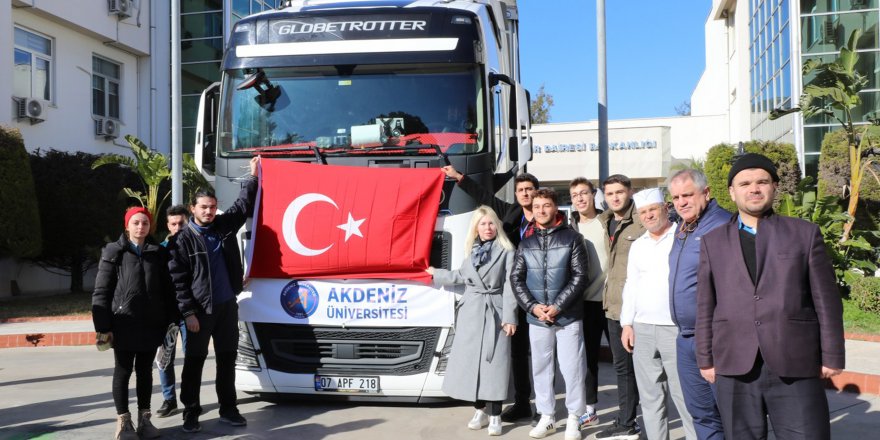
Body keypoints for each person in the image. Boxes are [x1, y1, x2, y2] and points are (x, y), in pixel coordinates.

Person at [696, 153, 845, 440]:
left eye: (762, 181)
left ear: (775, 186)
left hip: (795, 361)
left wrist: (833, 353)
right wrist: (705, 358)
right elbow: (705, 305)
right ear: (731, 191)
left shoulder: (804, 234)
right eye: (745, 183)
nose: (754, 188)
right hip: (734, 364)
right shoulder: (713, 243)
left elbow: (826, 300)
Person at [168, 156, 260, 433]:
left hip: (226, 307)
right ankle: (191, 413)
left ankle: (229, 409)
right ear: (192, 209)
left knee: (226, 361)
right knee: (194, 364)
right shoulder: (181, 240)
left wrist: (253, 176)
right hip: (199, 313)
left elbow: (243, 206)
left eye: (212, 207)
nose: (208, 212)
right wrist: (188, 313)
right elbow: (178, 281)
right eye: (204, 207)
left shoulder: (222, 227)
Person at [442, 164, 538, 422]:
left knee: (538, 353)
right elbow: (485, 197)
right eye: (521, 190)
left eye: (530, 189)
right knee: (514, 352)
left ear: (537, 193)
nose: (525, 194)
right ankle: (521, 402)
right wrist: (459, 177)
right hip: (508, 291)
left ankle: (541, 404)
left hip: (536, 294)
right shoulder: (511, 212)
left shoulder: (544, 216)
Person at [426, 206, 518, 436]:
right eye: (483, 224)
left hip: (495, 312)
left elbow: (510, 286)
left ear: (497, 225)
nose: (488, 228)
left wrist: (509, 317)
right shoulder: (473, 250)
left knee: (494, 365)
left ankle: (496, 414)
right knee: (471, 366)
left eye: (491, 223)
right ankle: (479, 410)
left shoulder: (507, 251)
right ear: (476, 228)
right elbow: (460, 276)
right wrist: (435, 273)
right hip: (471, 314)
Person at [510, 188, 589, 440]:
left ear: (556, 208)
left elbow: (579, 277)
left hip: (567, 317)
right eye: (536, 207)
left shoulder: (573, 239)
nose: (541, 211)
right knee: (541, 368)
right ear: (531, 211)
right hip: (537, 318)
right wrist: (533, 307)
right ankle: (547, 416)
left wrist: (557, 306)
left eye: (546, 205)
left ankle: (575, 417)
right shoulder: (526, 243)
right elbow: (516, 278)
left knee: (572, 368)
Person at [92, 207, 175, 440]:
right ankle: (123, 422)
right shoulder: (113, 252)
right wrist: (103, 326)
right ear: (127, 225)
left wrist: (170, 320)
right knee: (123, 371)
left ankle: (144, 420)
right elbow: (101, 291)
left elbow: (168, 291)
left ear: (150, 227)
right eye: (136, 223)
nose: (141, 227)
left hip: (151, 324)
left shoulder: (158, 253)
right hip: (122, 324)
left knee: (145, 372)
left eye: (145, 223)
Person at [620, 188, 696, 440]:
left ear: (665, 208)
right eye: (643, 212)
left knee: (685, 395)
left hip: (674, 328)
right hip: (642, 328)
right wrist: (627, 323)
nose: (648, 216)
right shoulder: (638, 245)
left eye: (652, 209)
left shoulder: (682, 237)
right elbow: (631, 284)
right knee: (651, 398)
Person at [667, 169, 730, 440]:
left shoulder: (723, 225)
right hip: (685, 338)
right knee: (701, 413)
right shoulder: (682, 228)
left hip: (717, 338)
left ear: (706, 193)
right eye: (676, 197)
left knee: (730, 414)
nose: (681, 202)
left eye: (687, 195)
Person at [595, 174, 644, 440]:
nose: (614, 197)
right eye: (609, 193)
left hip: (636, 310)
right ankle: (626, 422)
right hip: (613, 307)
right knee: (623, 368)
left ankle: (630, 423)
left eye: (619, 192)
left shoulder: (641, 222)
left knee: (641, 370)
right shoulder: (607, 222)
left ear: (630, 192)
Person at [567, 177, 607, 429]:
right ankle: (590, 408)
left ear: (594, 195)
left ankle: (629, 410)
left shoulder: (609, 221)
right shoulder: (570, 228)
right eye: (575, 195)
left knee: (626, 361)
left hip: (613, 301)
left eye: (584, 193)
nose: (580, 198)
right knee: (588, 359)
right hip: (586, 304)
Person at [156, 204, 189, 417]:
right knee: (164, 357)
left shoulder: (197, 245)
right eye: (173, 223)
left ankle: (190, 400)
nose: (177, 227)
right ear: (168, 225)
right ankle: (169, 400)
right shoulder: (160, 250)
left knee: (192, 357)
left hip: (190, 312)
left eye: (181, 223)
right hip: (167, 313)